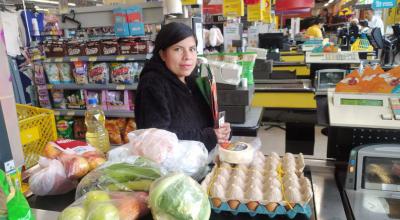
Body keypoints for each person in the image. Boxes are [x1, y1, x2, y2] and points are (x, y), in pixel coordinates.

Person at [135, 22, 231, 151]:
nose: (187, 57)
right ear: (162, 54)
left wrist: (220, 131)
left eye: (192, 49)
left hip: (199, 161)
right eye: (178, 49)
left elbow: (205, 124)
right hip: (173, 169)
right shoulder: (152, 84)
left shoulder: (191, 80)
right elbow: (157, 141)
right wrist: (209, 136)